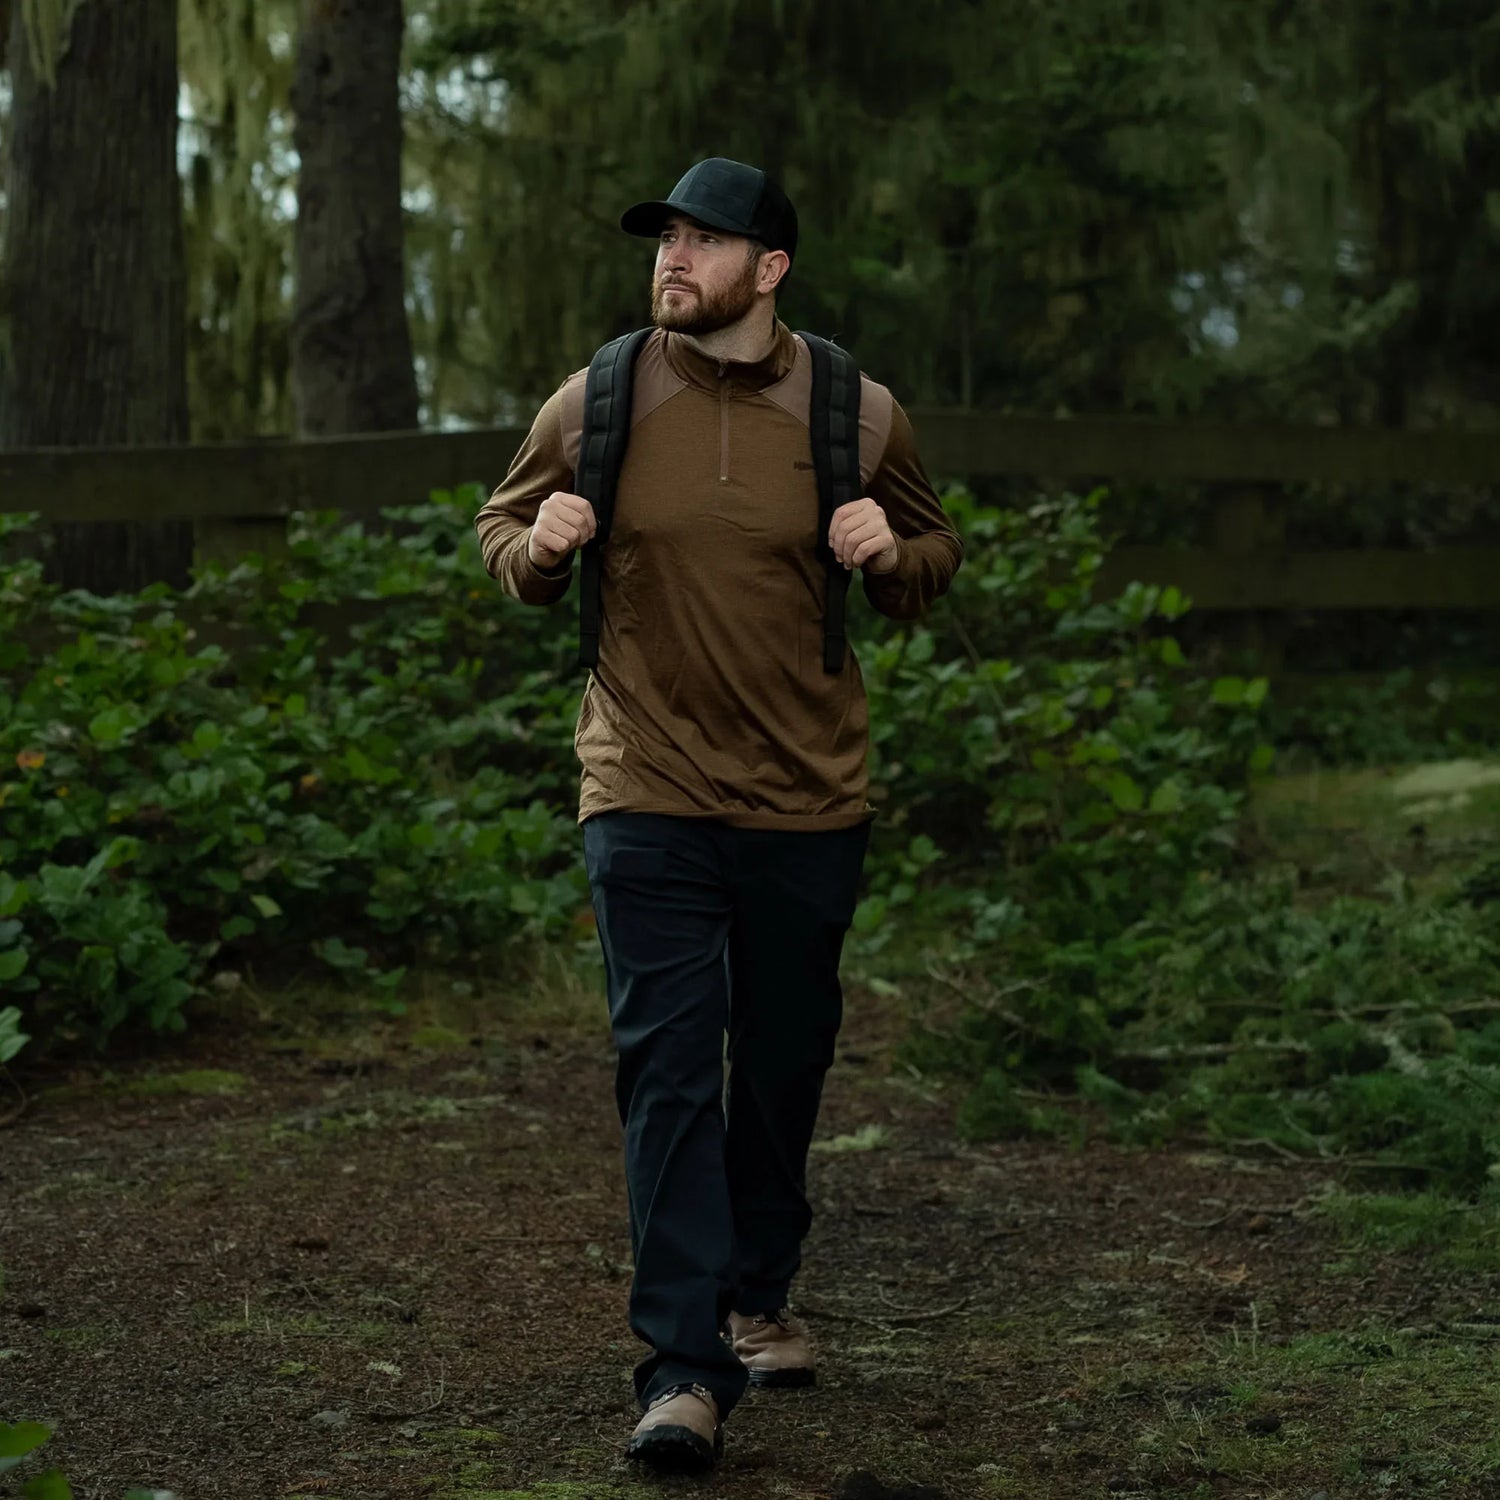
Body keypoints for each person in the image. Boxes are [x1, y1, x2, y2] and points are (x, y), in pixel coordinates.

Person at [474, 156, 963, 1473]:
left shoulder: (856, 411)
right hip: (643, 785)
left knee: (785, 1060)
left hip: (807, 796)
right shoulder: (604, 395)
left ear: (771, 268)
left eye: (704, 240)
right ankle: (684, 1369)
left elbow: (934, 559)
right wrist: (535, 549)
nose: (672, 259)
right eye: (665, 239)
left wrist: (890, 555)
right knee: (670, 1070)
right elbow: (502, 528)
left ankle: (758, 1292)